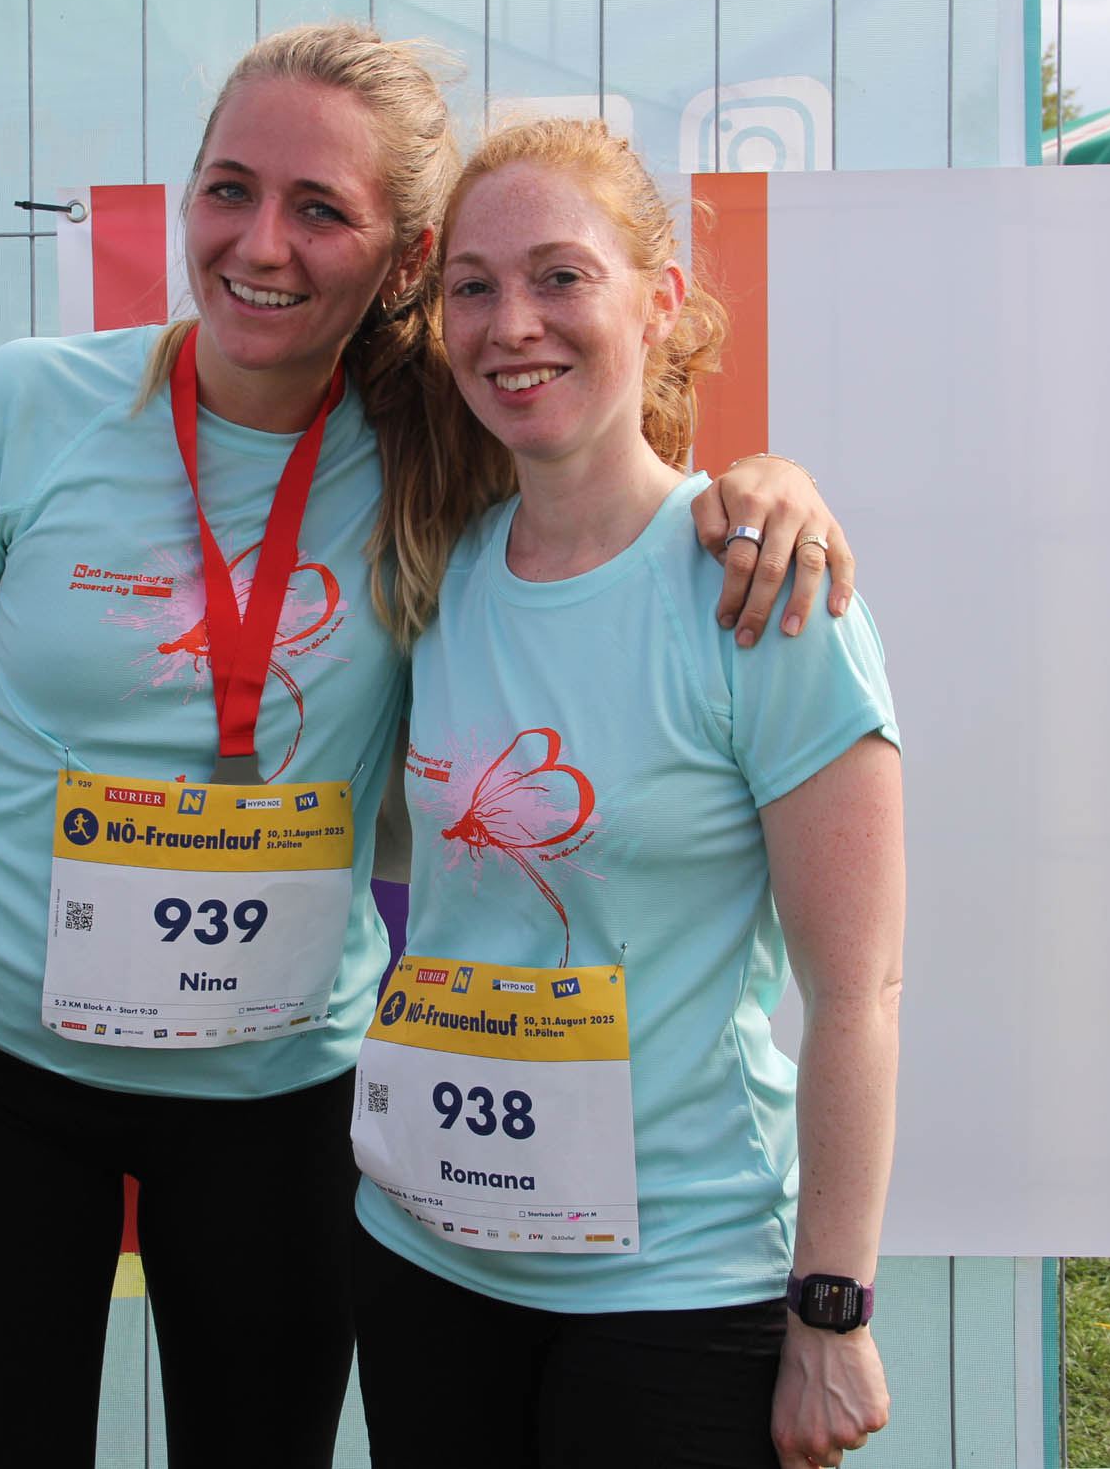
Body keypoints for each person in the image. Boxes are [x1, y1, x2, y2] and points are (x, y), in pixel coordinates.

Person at [0, 25, 857, 1467]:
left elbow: (611, 465)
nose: (262, 245)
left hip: (282, 1097)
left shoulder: (445, 441)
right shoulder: (27, 406)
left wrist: (764, 483)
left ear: (404, 260)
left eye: (320, 210)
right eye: (228, 190)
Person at [347, 119, 902, 1469]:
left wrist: (831, 1308)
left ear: (660, 303)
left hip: (676, 1292)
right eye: (472, 287)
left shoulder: (762, 593)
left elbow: (856, 992)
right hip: (428, 1264)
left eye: (560, 276)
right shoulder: (434, 569)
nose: (511, 324)